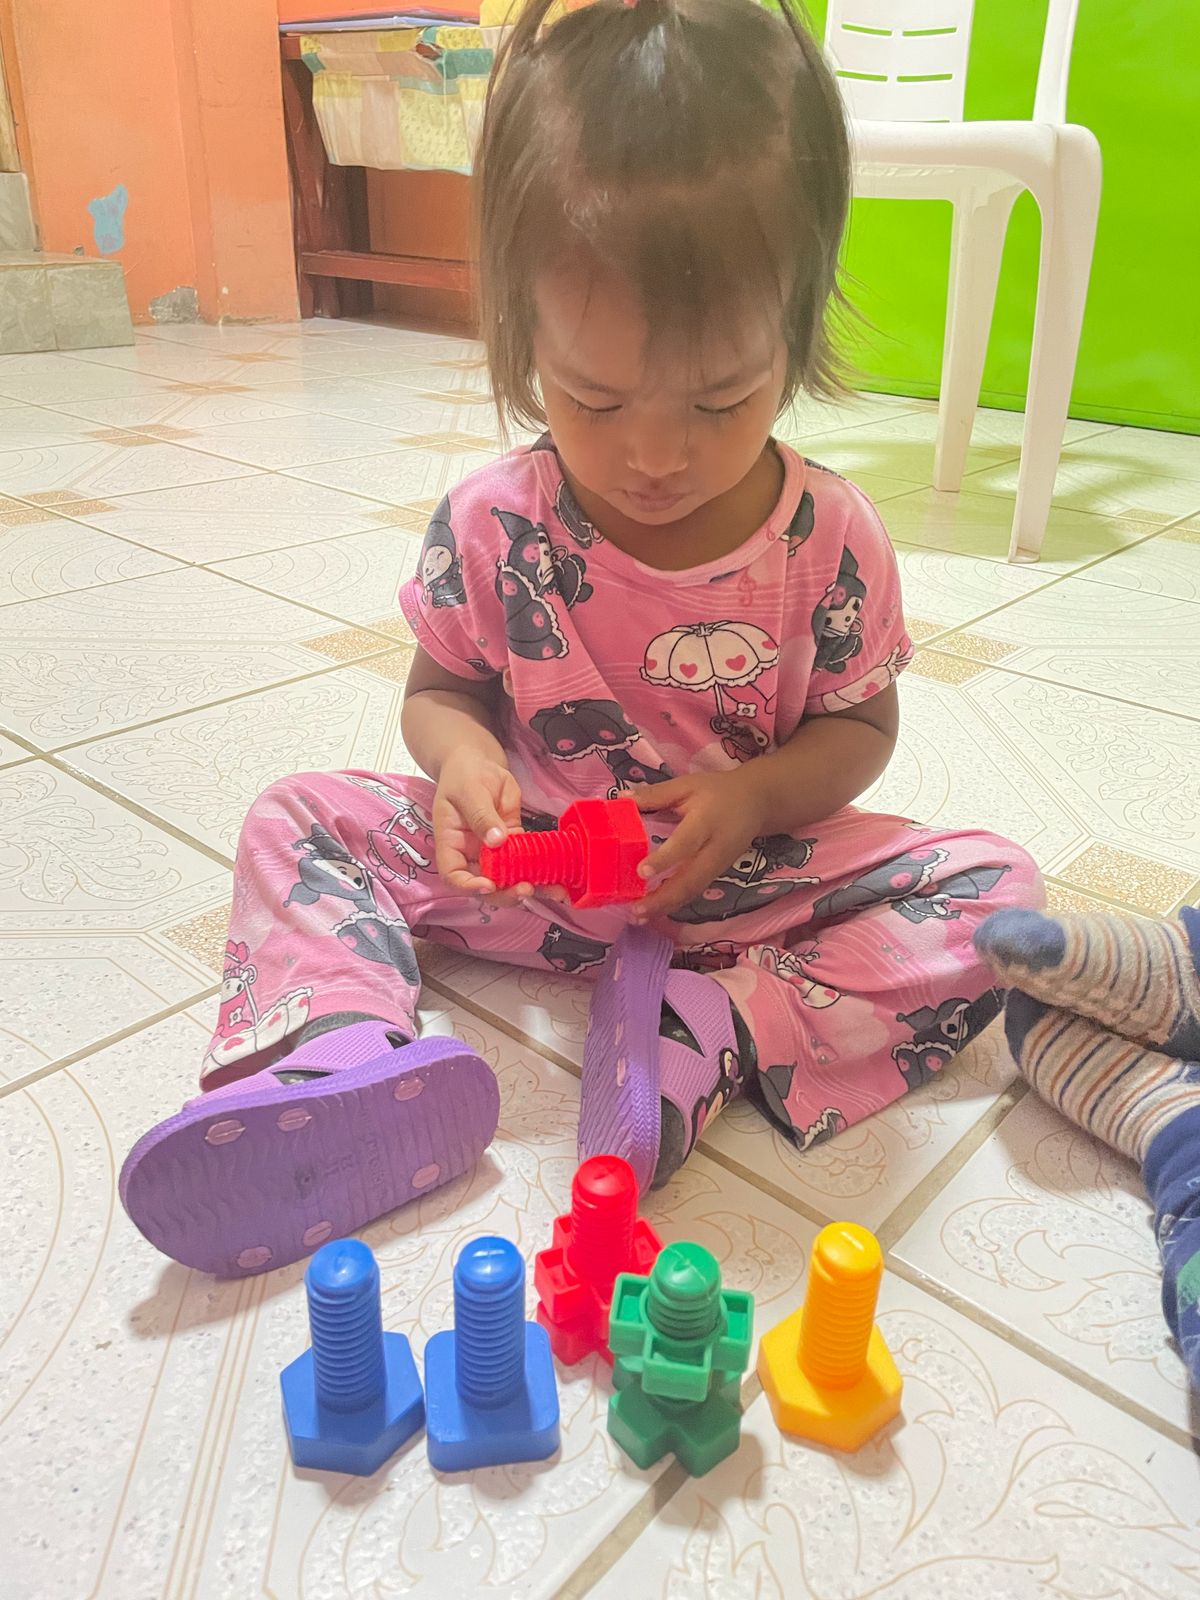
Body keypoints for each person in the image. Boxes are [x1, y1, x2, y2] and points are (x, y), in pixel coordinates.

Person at [121, 0, 1044, 1279]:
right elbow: (438, 689)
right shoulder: (495, 521)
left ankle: (708, 1030)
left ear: (796, 333)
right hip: (531, 875)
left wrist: (753, 797)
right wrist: (462, 763)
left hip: (739, 883)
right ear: (521, 334)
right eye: (594, 398)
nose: (655, 454)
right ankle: (341, 1050)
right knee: (300, 816)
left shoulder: (828, 536)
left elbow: (862, 728)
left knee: (998, 887)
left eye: (721, 399)